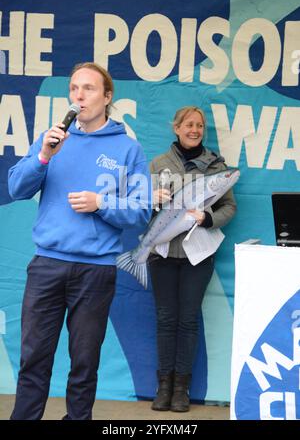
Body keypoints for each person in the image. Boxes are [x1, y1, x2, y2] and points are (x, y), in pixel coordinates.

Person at [8, 62, 151, 420]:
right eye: (74, 88)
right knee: (33, 358)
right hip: (47, 265)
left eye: (88, 88)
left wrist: (101, 203)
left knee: (84, 363)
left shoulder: (127, 149)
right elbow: (15, 187)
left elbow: (141, 210)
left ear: (107, 96)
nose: (79, 95)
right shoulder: (52, 138)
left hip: (96, 270)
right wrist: (43, 156)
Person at [149, 106, 236, 412]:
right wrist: (150, 199)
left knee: (187, 320)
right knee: (165, 319)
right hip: (161, 254)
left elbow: (229, 207)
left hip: (197, 255)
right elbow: (140, 207)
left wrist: (207, 217)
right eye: (188, 124)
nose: (194, 129)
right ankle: (163, 387)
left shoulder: (216, 166)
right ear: (176, 128)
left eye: (199, 125)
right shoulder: (158, 164)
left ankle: (181, 389)